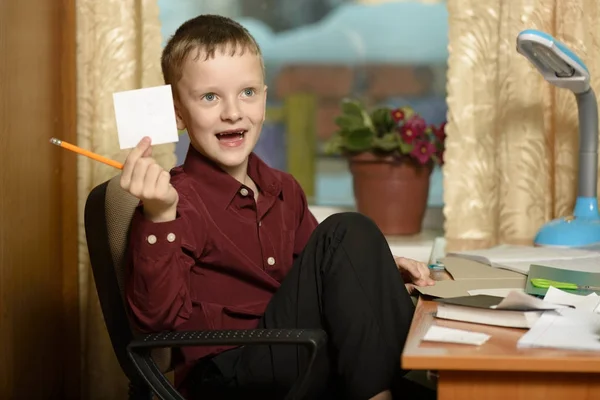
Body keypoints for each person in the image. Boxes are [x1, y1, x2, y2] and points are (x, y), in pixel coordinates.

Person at [121, 14, 436, 400]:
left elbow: (319, 273)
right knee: (347, 229)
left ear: (265, 100)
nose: (233, 112)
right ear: (177, 113)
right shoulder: (175, 202)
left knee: (355, 241)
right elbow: (154, 323)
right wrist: (159, 216)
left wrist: (371, 272)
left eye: (248, 92)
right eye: (209, 97)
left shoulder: (283, 188)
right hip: (229, 373)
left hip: (299, 352)